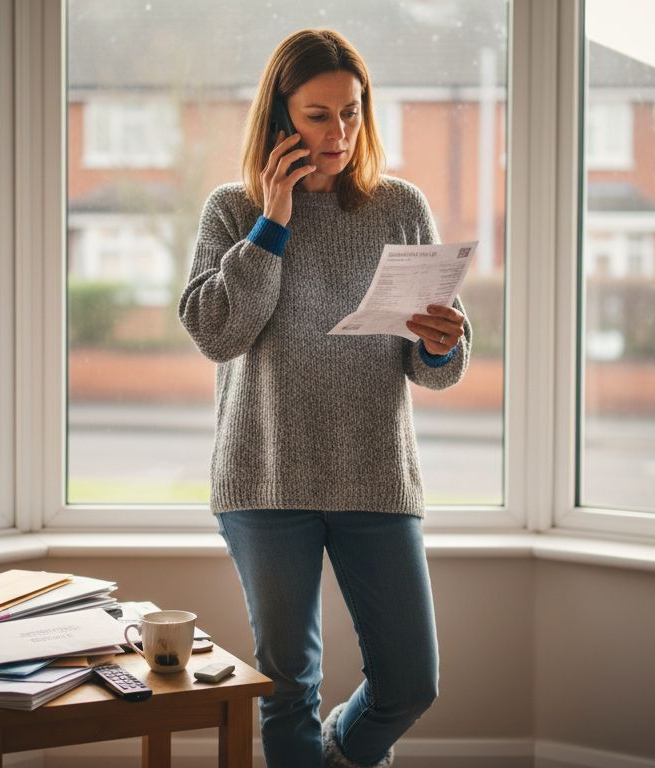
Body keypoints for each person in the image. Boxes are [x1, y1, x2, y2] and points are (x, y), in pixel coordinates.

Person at [178, 28, 472, 768]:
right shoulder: (229, 210)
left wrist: (443, 342)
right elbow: (218, 334)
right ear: (279, 119)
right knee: (287, 689)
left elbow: (430, 372)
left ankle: (340, 751)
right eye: (317, 115)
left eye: (351, 111)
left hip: (374, 474)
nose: (339, 132)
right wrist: (271, 226)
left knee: (411, 682)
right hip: (265, 476)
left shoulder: (400, 206)